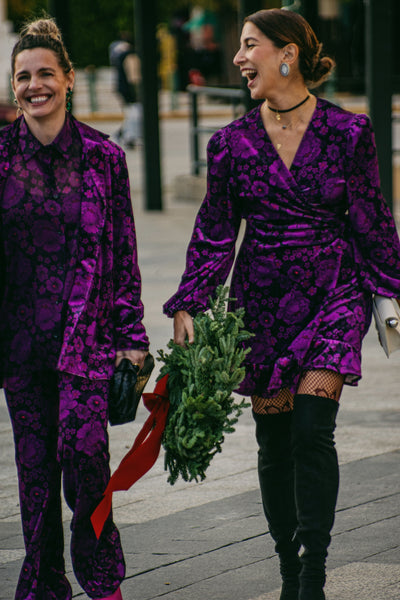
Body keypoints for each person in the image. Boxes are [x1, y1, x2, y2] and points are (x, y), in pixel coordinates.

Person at [163, 8, 400, 600]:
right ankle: (288, 569)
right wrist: (189, 302)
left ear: (286, 53)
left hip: (333, 292)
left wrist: (391, 292)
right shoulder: (229, 145)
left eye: (249, 46)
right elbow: (217, 231)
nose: (239, 58)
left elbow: (372, 222)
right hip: (261, 302)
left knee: (313, 429)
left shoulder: (350, 133)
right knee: (274, 443)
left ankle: (314, 573)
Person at [1, 17, 149, 600]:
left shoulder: (104, 159)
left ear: (68, 80)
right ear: (14, 85)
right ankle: (43, 586)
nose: (34, 85)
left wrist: (133, 339)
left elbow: (126, 254)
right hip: (19, 344)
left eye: (45, 74)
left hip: (86, 341)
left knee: (85, 459)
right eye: (23, 76)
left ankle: (103, 580)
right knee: (35, 476)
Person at [109, 32, 142, 149]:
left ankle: (124, 134)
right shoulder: (130, 55)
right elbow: (133, 76)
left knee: (131, 112)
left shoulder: (118, 53)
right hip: (128, 88)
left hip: (120, 85)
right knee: (134, 111)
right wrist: (137, 89)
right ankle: (128, 136)